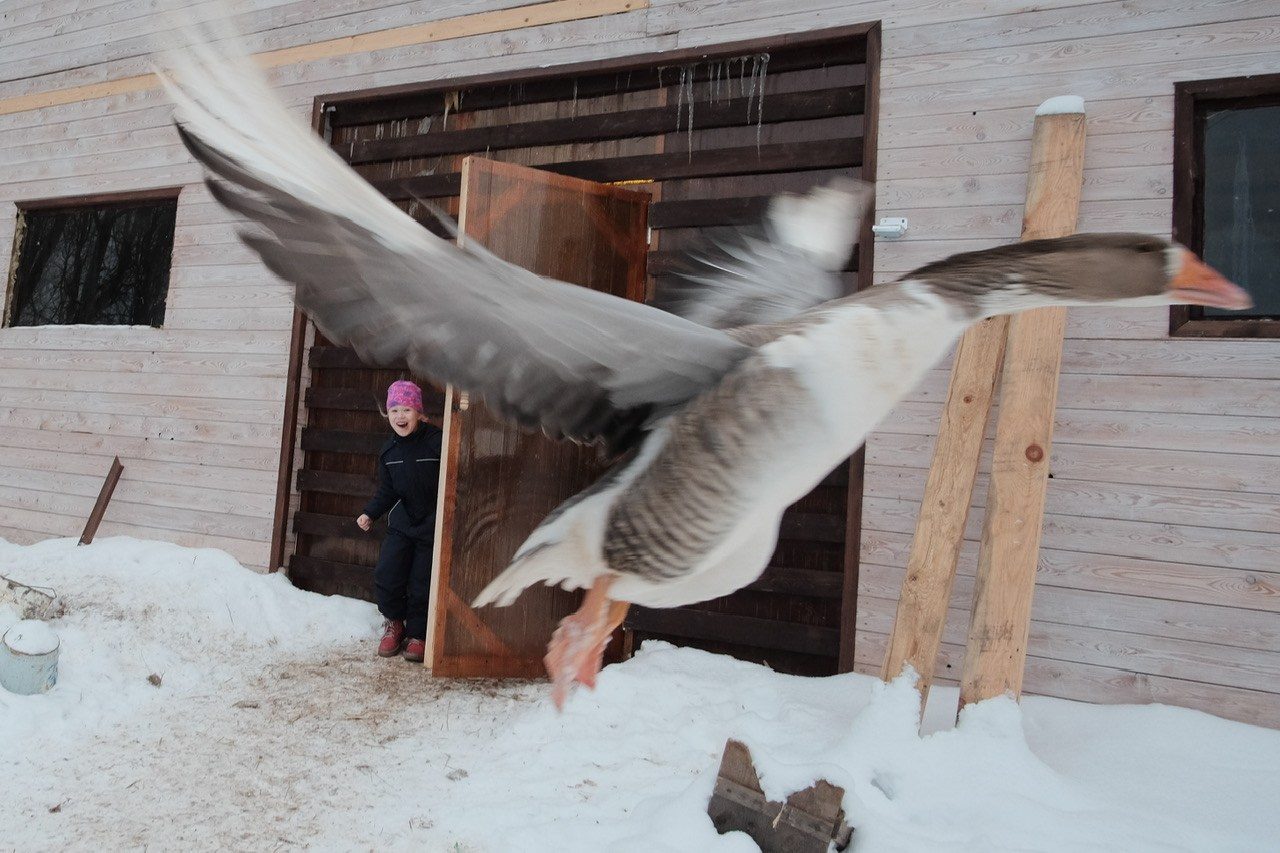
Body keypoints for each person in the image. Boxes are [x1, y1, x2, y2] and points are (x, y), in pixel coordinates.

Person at [356, 380, 443, 663]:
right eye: (394, 410)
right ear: (388, 414)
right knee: (387, 574)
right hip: (402, 523)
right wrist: (370, 512)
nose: (400, 416)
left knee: (421, 582)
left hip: (433, 524)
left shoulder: (438, 442)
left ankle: (418, 634)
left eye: (407, 409)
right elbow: (388, 490)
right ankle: (395, 623)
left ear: (420, 413)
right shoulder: (389, 451)